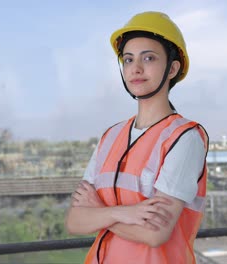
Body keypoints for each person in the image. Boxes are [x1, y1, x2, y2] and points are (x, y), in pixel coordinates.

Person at [65, 11, 209, 264]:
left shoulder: (184, 138)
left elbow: (155, 234)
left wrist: (99, 212)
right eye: (128, 60)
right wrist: (126, 213)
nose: (136, 69)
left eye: (149, 58)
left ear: (173, 68)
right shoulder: (110, 136)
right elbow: (75, 222)